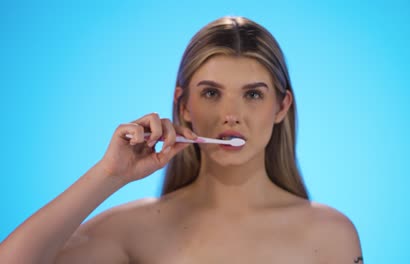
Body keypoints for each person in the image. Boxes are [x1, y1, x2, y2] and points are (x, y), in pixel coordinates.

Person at [0, 16, 363, 263]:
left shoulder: (331, 235)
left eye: (252, 94)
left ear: (281, 106)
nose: (230, 114)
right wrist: (109, 174)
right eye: (211, 93)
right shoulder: (135, 228)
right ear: (183, 105)